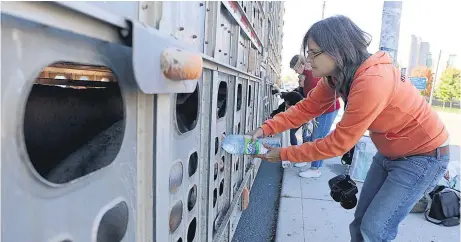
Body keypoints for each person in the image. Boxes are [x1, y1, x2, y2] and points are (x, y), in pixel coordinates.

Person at [249, 15, 449, 241]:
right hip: (389, 153)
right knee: (360, 223)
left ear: (338, 50)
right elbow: (307, 108)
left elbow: (338, 144)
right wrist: (267, 127)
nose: (308, 59)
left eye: (314, 53)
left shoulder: (372, 81)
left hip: (423, 157)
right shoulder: (337, 77)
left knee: (374, 229)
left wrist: (284, 154)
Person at [289, 54, 341, 177]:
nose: (296, 72)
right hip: (322, 109)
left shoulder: (310, 78)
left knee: (318, 139)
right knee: (314, 137)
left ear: (301, 65)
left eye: (296, 69)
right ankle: (308, 159)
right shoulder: (307, 76)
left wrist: (311, 116)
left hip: (328, 109)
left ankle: (315, 169)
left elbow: (317, 101)